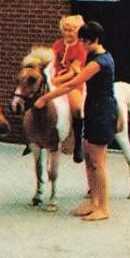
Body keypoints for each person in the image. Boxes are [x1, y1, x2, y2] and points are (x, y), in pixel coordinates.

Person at [35, 21, 116, 222]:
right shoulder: (93, 55)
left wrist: (46, 98)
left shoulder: (100, 62)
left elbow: (74, 83)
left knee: (98, 162)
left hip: (102, 112)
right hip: (93, 108)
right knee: (89, 159)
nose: (82, 45)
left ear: (95, 40)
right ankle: (93, 201)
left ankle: (103, 207)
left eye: (85, 41)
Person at [51, 14, 88, 163]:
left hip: (73, 82)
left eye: (71, 30)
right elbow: (52, 62)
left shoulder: (81, 47)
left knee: (77, 108)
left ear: (77, 31)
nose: (68, 33)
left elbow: (74, 71)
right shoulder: (58, 44)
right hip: (55, 79)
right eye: (66, 30)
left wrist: (56, 81)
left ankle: (78, 143)